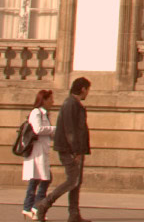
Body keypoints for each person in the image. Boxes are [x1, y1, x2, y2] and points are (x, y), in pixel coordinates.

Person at [34, 77, 91, 222]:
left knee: (76, 181)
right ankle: (44, 204)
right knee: (72, 181)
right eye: (88, 90)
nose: (88, 93)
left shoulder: (75, 104)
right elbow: (70, 130)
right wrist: (76, 151)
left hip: (76, 149)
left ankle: (74, 214)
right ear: (83, 89)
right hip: (70, 149)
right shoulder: (70, 104)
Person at [21, 89, 56, 220]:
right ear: (44, 100)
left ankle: (28, 207)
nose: (52, 102)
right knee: (44, 179)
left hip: (42, 150)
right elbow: (38, 129)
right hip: (36, 151)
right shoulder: (36, 112)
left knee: (36, 179)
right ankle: (36, 207)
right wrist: (54, 129)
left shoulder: (45, 114)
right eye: (51, 99)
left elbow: (46, 132)